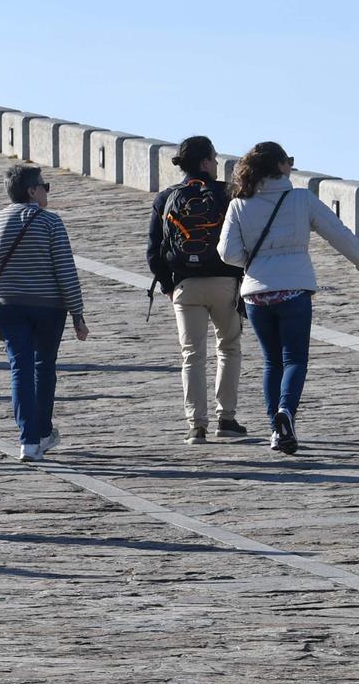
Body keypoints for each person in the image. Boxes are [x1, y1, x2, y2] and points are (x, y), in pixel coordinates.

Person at [219, 141, 359, 455]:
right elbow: (339, 234)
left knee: (272, 362)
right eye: (289, 162)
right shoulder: (300, 199)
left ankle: (275, 430)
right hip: (293, 291)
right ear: (281, 167)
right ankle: (286, 413)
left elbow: (227, 253)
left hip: (256, 296)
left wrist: (255, 266)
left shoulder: (239, 204)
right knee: (294, 359)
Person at [0, 164, 89, 461]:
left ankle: (28, 442)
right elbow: (65, 271)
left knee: (19, 368)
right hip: (50, 308)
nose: (47, 190)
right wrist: (78, 315)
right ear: (31, 191)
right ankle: (43, 432)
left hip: (9, 306)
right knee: (44, 367)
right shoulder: (51, 223)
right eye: (44, 186)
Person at [146, 135, 247, 443]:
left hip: (185, 287)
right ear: (205, 162)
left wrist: (168, 285)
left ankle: (196, 425)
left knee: (192, 355)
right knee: (228, 348)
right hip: (224, 283)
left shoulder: (166, 198)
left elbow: (153, 252)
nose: (217, 164)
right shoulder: (228, 194)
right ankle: (226, 419)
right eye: (215, 159)